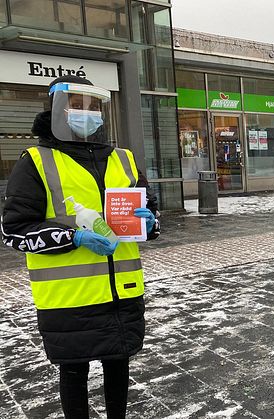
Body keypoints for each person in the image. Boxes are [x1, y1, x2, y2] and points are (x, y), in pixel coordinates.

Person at [1, 75, 160, 418]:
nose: (86, 113)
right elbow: (13, 231)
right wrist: (72, 237)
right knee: (75, 372)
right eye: (76, 105)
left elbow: (149, 208)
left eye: (92, 105)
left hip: (122, 291)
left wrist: (150, 222)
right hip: (70, 298)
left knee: (119, 367)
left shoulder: (124, 158)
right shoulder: (36, 161)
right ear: (58, 108)